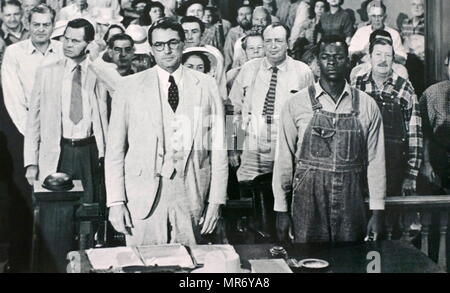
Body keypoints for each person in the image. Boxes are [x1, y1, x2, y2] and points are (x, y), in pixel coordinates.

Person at [106, 18, 228, 246]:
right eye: (159, 45)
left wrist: (216, 201)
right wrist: (115, 201)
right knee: (143, 265)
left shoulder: (206, 85)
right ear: (151, 49)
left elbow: (220, 149)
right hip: (142, 195)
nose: (167, 50)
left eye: (172, 43)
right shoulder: (128, 87)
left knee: (193, 265)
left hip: (191, 192)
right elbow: (114, 152)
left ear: (183, 44)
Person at [273, 35, 385, 243]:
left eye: (339, 57)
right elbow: (284, 162)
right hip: (308, 202)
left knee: (351, 265)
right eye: (326, 57)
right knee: (307, 264)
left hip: (352, 203)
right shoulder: (295, 104)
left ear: (348, 61)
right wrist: (281, 210)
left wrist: (377, 212)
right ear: (317, 61)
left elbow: (376, 163)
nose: (332, 62)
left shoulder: (367, 105)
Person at [229, 23, 314, 240]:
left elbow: (310, 113)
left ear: (287, 43)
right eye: (268, 41)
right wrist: (233, 147)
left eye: (278, 41)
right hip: (254, 144)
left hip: (288, 146)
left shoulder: (302, 72)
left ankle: (287, 245)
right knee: (250, 197)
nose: (273, 46)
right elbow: (234, 109)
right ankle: (253, 244)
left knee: (287, 197)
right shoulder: (249, 69)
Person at [24, 18, 108, 206]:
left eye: (75, 41)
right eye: (66, 39)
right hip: (59, 151)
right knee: (58, 213)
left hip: (91, 150)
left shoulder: (100, 71)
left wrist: (97, 61)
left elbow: (119, 92)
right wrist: (31, 162)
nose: (68, 45)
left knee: (90, 210)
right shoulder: (47, 72)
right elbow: (33, 122)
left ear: (89, 44)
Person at [354, 37, 422, 199]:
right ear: (369, 57)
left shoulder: (405, 88)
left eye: (388, 55)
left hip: (393, 169)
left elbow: (415, 136)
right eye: (378, 54)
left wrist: (411, 175)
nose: (383, 60)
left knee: (391, 220)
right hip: (360, 167)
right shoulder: (357, 85)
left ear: (394, 59)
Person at [419, 52, 450, 195]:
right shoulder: (431, 93)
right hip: (438, 168)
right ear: (446, 63)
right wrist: (426, 163)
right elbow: (423, 134)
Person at [181, 16, 227, 102]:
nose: (189, 37)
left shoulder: (214, 53)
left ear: (202, 34)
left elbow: (220, 85)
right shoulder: (175, 54)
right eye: (185, 32)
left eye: (194, 32)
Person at [349, 0, 407, 65]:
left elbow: (403, 59)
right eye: (374, 16)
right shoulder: (361, 32)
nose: (377, 19)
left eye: (380, 16)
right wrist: (363, 51)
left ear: (385, 16)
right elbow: (351, 55)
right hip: (364, 69)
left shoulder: (394, 34)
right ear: (369, 17)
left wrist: (388, 53)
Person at [105, 33, 136, 121]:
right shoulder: (102, 80)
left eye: (127, 50)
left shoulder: (138, 80)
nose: (123, 54)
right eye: (118, 50)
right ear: (110, 53)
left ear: (133, 52)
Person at [223, 4, 253, 71]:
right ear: (237, 18)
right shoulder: (233, 32)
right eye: (241, 14)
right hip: (237, 69)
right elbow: (228, 55)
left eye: (247, 14)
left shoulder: (257, 32)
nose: (244, 17)